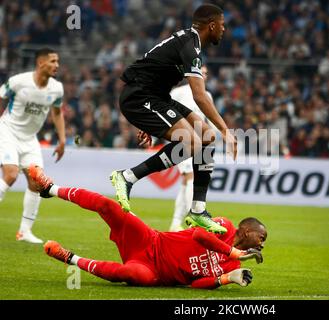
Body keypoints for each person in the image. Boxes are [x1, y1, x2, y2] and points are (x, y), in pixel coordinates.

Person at [29, 165, 266, 289]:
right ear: (246, 231)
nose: (263, 242)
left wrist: (228, 278)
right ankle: (51, 189)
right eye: (261, 236)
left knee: (129, 274)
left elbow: (196, 284)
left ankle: (69, 258)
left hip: (156, 274)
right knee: (108, 205)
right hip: (151, 240)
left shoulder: (234, 264)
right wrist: (233, 252)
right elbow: (198, 234)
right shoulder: (223, 227)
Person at [110, 3, 237, 234]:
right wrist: (226, 130)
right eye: (222, 24)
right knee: (191, 142)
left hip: (156, 97)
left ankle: (198, 209)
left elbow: (156, 70)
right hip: (140, 96)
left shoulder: (190, 42)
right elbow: (199, 96)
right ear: (211, 25)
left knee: (207, 136)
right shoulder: (191, 47)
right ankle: (127, 177)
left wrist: (149, 121)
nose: (224, 29)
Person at [0, 48, 65, 244]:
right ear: (41, 63)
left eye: (57, 61)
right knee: (10, 174)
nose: (57, 65)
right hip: (8, 131)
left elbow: (57, 113)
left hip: (30, 139)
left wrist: (62, 140)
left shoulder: (56, 88)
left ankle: (24, 232)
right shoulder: (19, 81)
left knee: (36, 182)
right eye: (53, 61)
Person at [169, 64, 216, 231]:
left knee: (186, 181)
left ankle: (176, 223)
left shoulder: (207, 95)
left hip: (200, 141)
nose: (204, 75)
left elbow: (208, 119)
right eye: (201, 72)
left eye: (206, 73)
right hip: (181, 139)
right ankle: (195, 219)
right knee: (191, 176)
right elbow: (162, 110)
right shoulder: (178, 92)